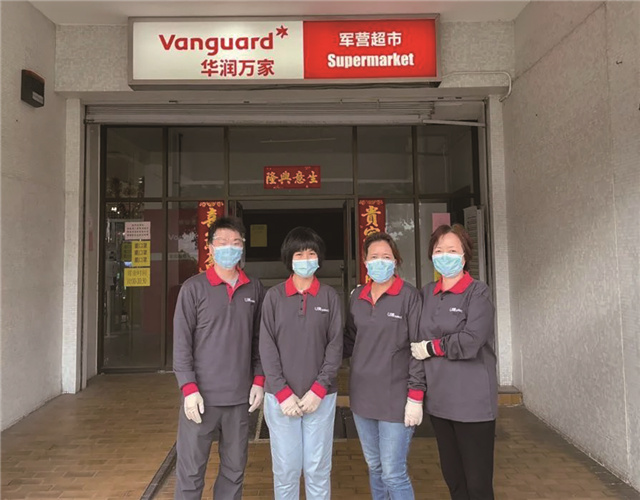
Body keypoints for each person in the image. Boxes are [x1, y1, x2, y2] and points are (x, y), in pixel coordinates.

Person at [173, 216, 265, 500]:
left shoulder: (254, 288)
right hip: (201, 398)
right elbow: (181, 343)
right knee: (191, 471)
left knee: (234, 471)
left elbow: (260, 340)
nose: (229, 248)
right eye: (222, 243)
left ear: (242, 248)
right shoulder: (193, 288)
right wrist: (188, 388)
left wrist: (259, 380)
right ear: (210, 248)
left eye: (235, 243)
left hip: (239, 398)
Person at [411, 223, 497, 500]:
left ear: (464, 255)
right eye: (439, 250)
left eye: (452, 250)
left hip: (472, 403)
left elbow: (471, 341)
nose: (444, 256)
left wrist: (432, 347)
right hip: (440, 401)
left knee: (477, 483)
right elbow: (414, 340)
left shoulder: (477, 292)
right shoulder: (426, 293)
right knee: (453, 477)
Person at [259, 227, 343, 500]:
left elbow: (335, 345)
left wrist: (319, 389)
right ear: (289, 258)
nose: (305, 259)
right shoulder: (274, 297)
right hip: (281, 399)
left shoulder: (329, 296)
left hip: (321, 398)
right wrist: (282, 392)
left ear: (319, 257)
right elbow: (267, 346)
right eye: (299, 254)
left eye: (311, 253)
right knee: (286, 470)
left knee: (318, 469)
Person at [344, 232, 425, 500]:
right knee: (375, 466)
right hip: (362, 397)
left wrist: (416, 396)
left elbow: (418, 347)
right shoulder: (357, 297)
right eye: (374, 257)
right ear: (365, 261)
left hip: (396, 397)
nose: (380, 262)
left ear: (396, 261)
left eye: (386, 257)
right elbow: (349, 340)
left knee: (393, 472)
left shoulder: (409, 296)